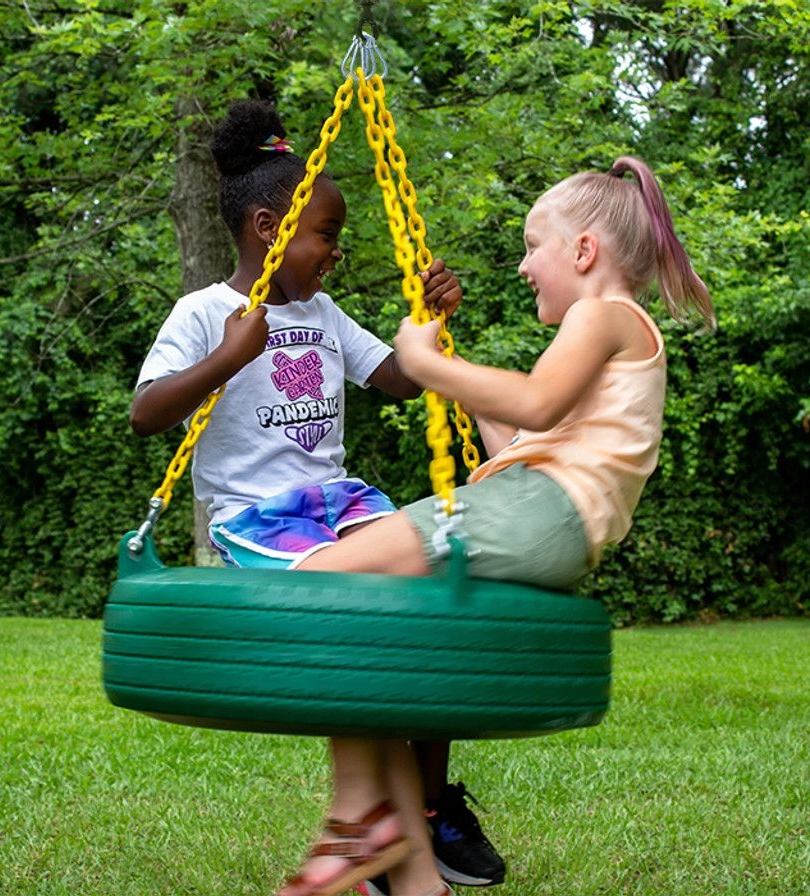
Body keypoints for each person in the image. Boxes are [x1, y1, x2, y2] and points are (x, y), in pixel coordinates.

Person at [278, 155, 715, 896]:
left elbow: (536, 404)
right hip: (540, 513)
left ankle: (363, 818)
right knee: (367, 614)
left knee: (319, 581)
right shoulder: (610, 333)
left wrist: (421, 359)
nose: (522, 267)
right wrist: (449, 359)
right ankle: (412, 871)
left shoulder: (603, 315)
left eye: (531, 245)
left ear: (584, 251)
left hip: (542, 513)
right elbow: (518, 448)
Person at [128, 99, 505, 889]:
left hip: (340, 502)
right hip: (254, 522)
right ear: (269, 227)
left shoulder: (325, 314)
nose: (334, 253)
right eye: (325, 235)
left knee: (436, 583)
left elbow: (398, 378)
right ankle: (380, 823)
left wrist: (426, 321)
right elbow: (146, 412)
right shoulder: (204, 313)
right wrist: (227, 359)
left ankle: (428, 811)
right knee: (355, 607)